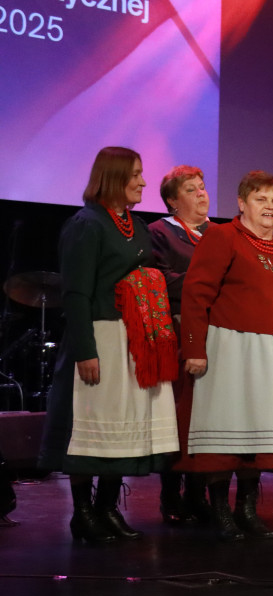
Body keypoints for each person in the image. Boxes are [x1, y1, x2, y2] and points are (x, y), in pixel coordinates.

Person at [39, 146, 179, 544]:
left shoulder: (135, 225)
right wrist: (86, 350)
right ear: (114, 177)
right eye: (135, 174)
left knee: (121, 423)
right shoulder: (86, 225)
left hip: (132, 336)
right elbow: (76, 294)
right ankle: (83, 513)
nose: (143, 182)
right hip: (101, 334)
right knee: (93, 424)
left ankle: (106, 507)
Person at [180, 170, 273, 541]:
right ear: (241, 203)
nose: (269, 206)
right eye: (260, 199)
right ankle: (220, 509)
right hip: (231, 349)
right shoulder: (223, 236)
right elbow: (195, 294)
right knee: (229, 430)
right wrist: (193, 348)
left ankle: (247, 507)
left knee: (259, 433)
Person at [148, 165, 213, 525]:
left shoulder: (219, 234)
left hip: (216, 333)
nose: (201, 193)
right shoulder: (160, 232)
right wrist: (207, 281)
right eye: (191, 189)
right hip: (177, 331)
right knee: (179, 415)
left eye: (202, 187)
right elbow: (161, 280)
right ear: (173, 201)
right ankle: (171, 494)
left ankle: (199, 493)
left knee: (207, 416)